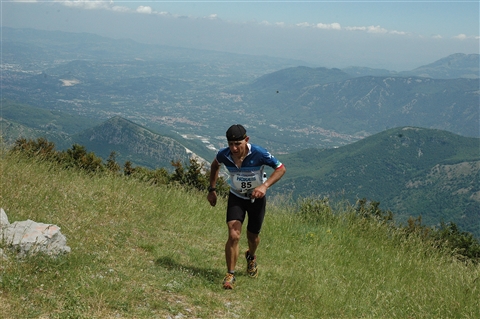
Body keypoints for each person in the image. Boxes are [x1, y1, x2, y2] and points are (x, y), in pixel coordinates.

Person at [207, 124, 286, 289]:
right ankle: (230, 274)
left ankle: (251, 257)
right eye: (231, 144)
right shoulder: (224, 154)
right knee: (234, 234)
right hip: (236, 196)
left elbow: (280, 168)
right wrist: (212, 189)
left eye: (238, 144)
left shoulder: (259, 153)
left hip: (256, 199)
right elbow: (215, 166)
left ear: (246, 140)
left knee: (253, 237)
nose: (234, 148)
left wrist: (264, 187)